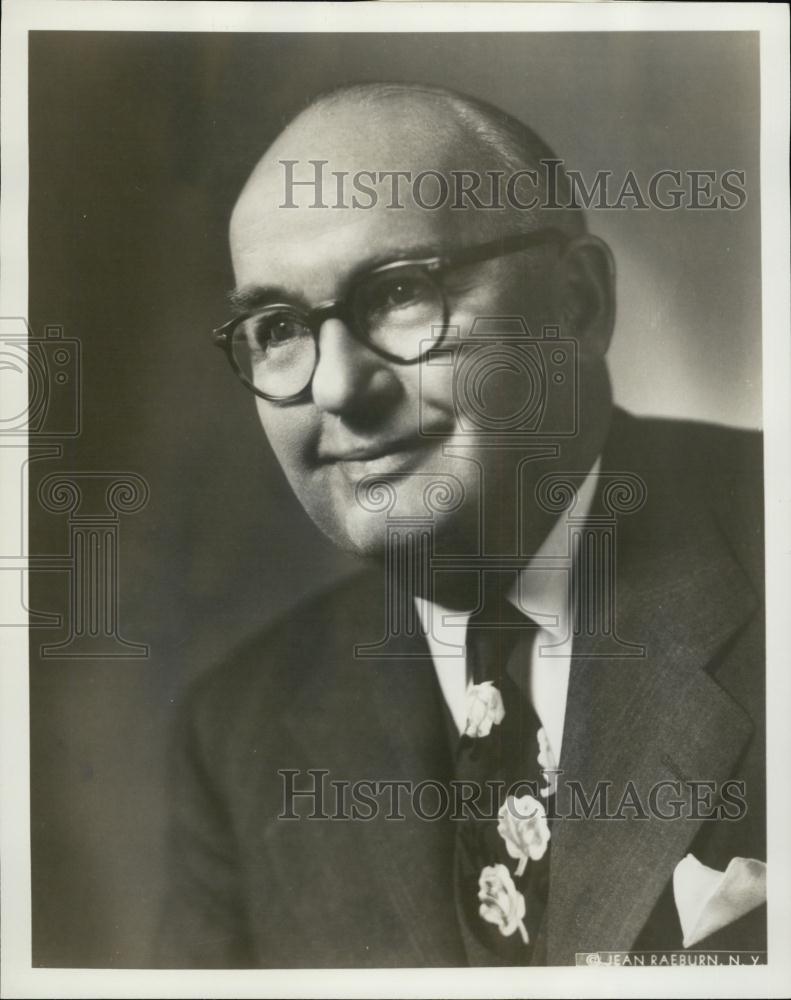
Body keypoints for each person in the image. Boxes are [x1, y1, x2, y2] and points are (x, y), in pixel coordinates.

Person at [157, 83, 766, 967]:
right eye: (278, 325)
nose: (335, 388)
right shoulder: (234, 734)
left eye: (399, 293)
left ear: (577, 302)